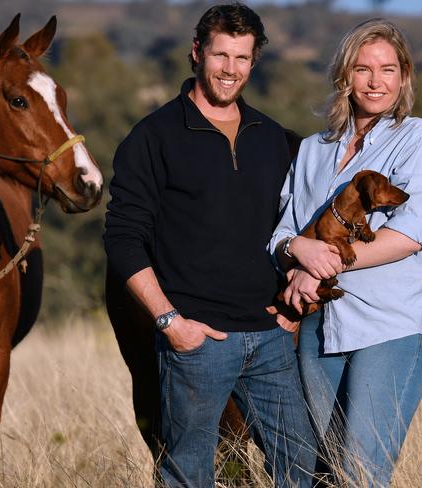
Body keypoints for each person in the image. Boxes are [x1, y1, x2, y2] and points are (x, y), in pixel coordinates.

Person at [104, 3, 315, 487]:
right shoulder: (153, 137)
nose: (230, 69)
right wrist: (169, 322)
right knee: (188, 474)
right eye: (221, 55)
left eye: (241, 58)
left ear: (254, 61)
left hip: (270, 337)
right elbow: (122, 237)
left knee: (301, 466)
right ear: (197, 53)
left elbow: (297, 228)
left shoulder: (270, 137)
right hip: (196, 343)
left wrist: (292, 310)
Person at [269, 19, 422, 487]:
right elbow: (282, 233)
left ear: (404, 76)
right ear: (344, 76)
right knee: (323, 470)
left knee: (360, 472)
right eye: (363, 69)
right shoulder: (312, 150)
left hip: (388, 325)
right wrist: (298, 249)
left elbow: (410, 233)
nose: (376, 81)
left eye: (388, 69)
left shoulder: (419, 139)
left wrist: (324, 262)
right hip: (318, 332)